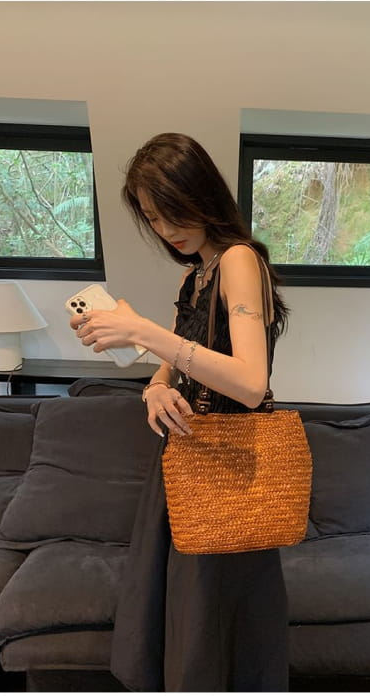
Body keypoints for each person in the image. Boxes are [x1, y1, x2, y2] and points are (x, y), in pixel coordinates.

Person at [69, 132, 291, 691]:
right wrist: (154, 388)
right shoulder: (195, 275)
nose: (166, 228)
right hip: (188, 456)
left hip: (229, 465)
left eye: (172, 210)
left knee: (211, 613)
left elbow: (250, 383)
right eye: (152, 218)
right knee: (182, 611)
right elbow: (175, 361)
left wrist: (140, 330)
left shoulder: (239, 259)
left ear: (202, 194)